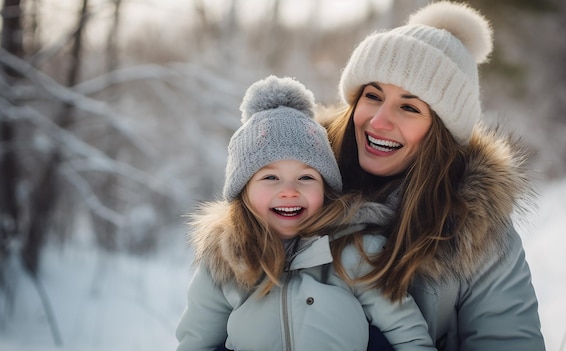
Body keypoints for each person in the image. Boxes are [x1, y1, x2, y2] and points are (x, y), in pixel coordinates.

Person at [318, 2, 546, 351]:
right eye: (373, 95)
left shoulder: (477, 233)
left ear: (441, 131)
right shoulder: (294, 184)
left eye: (409, 107)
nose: (378, 121)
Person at [175, 75, 436, 351]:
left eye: (306, 178)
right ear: (244, 191)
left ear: (326, 188)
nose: (289, 191)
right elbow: (196, 341)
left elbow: (409, 336)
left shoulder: (355, 253)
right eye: (270, 178)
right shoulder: (227, 263)